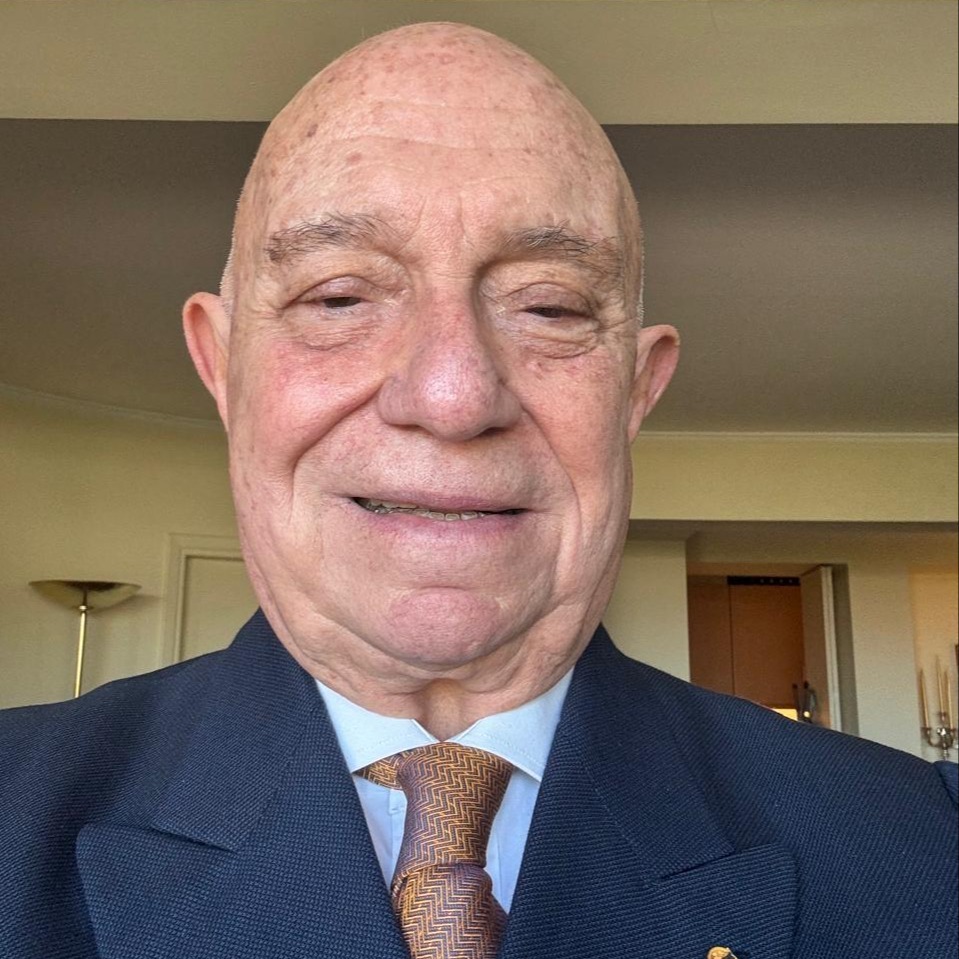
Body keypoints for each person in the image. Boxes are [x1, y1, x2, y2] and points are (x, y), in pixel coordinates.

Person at [0, 22, 955, 959]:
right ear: (222, 366)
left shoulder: (924, 845)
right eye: (338, 296)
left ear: (636, 387)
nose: (453, 397)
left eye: (550, 306)